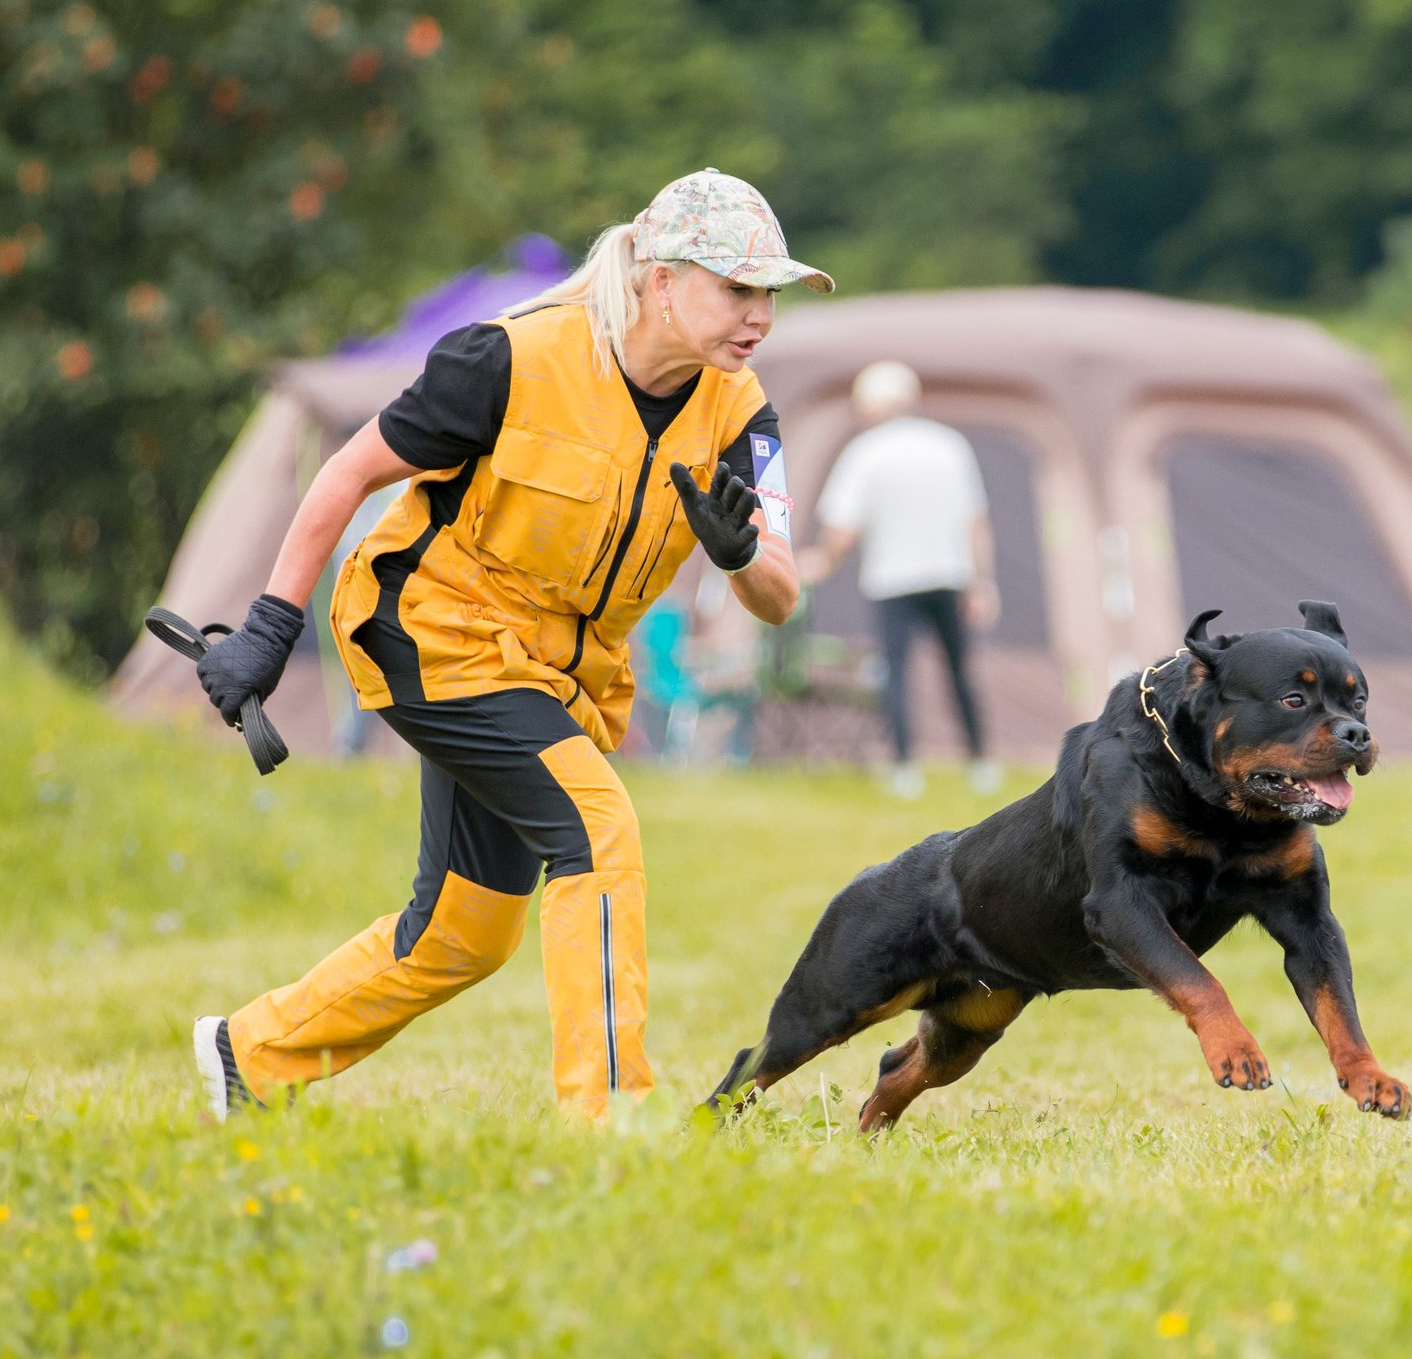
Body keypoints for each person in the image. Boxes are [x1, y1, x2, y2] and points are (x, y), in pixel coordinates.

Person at [186, 170, 827, 1123]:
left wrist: (739, 556)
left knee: (465, 931)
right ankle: (612, 1121)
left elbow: (779, 593)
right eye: (738, 289)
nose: (759, 317)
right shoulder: (510, 359)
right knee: (597, 833)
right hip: (432, 634)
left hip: (550, 677)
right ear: (661, 280)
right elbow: (348, 472)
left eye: (768, 294)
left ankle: (251, 1055)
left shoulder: (741, 411)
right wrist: (271, 628)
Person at [802, 361, 1000, 798]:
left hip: (892, 580)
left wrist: (822, 561)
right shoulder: (950, 445)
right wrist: (982, 580)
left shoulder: (866, 451)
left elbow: (841, 526)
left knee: (896, 673)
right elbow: (975, 519)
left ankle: (904, 767)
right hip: (950, 574)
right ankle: (981, 762)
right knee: (960, 671)